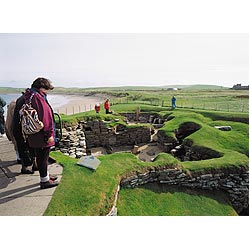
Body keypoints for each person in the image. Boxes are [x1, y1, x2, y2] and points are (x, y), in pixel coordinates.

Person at [24, 77, 58, 189]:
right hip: (41, 135)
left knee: (40, 156)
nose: (47, 92)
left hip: (33, 134)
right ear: (42, 87)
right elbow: (45, 117)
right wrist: (49, 135)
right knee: (43, 157)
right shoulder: (38, 98)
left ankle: (46, 176)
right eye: (47, 89)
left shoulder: (29, 96)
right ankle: (44, 181)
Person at [12, 94, 38, 174]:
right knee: (26, 147)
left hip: (18, 127)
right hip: (23, 128)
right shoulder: (27, 100)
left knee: (23, 147)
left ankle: (30, 165)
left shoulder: (20, 99)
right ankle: (27, 167)